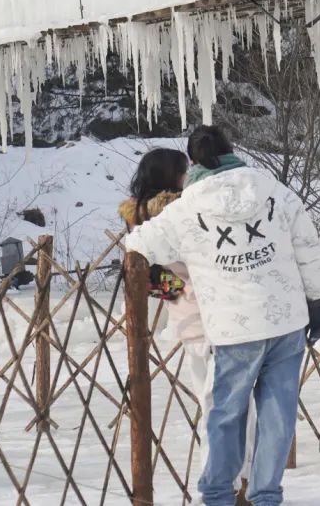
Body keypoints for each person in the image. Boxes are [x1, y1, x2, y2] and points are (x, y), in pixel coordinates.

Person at [124, 126, 320, 506]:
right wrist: (317, 299)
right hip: (286, 321)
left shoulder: (187, 207)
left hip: (232, 327)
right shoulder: (272, 189)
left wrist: (157, 276)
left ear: (194, 162)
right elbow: (308, 245)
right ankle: (265, 496)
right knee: (277, 416)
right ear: (232, 151)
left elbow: (137, 244)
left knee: (225, 414)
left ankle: (218, 496)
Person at [118, 147, 256, 496]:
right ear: (173, 177)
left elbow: (147, 279)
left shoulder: (137, 218)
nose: (190, 175)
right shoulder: (185, 212)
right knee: (230, 404)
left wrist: (178, 292)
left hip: (189, 320)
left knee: (214, 400)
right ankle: (233, 483)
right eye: (184, 170)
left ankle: (231, 481)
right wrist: (193, 288)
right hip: (217, 314)